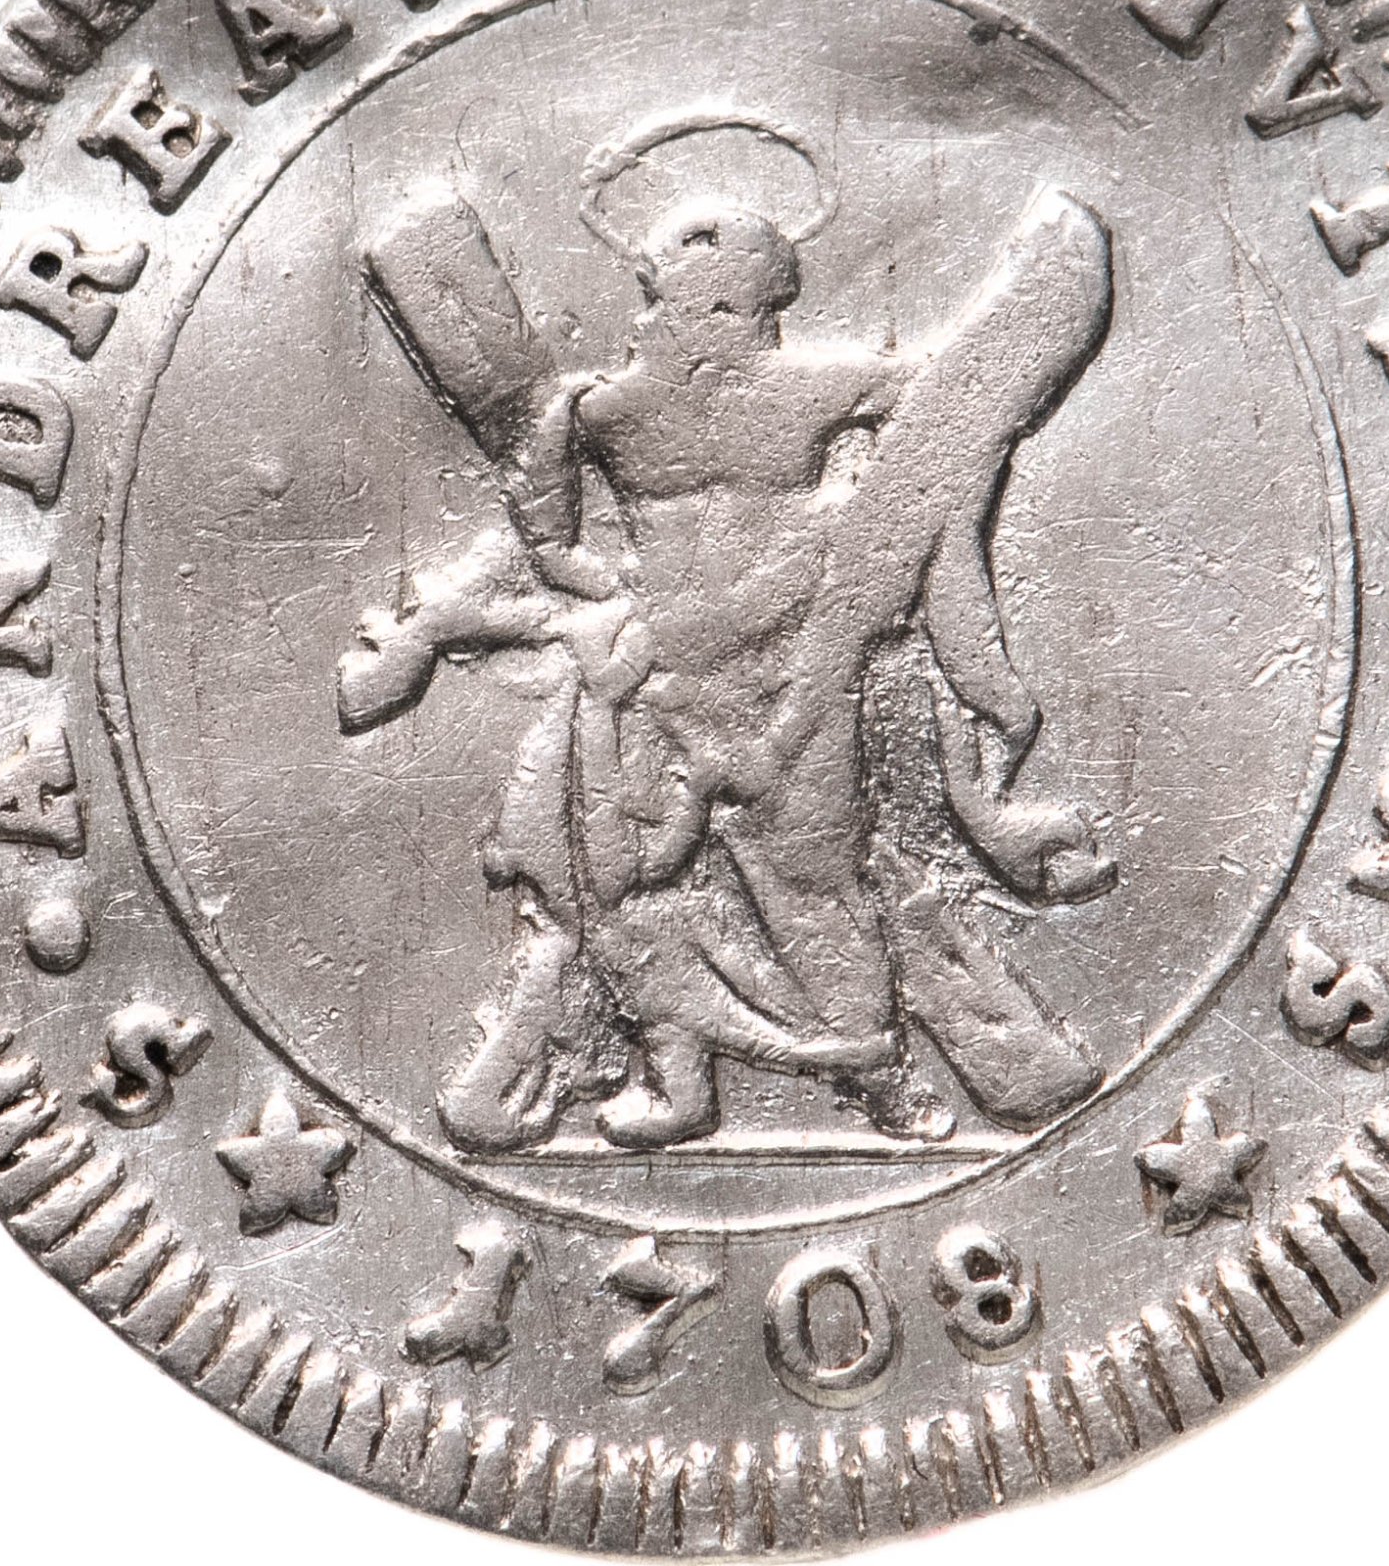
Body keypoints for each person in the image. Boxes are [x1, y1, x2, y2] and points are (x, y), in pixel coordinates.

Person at [339, 163, 1115, 1152]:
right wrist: (589, 599)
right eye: (656, 290)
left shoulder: (812, 389)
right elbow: (544, 532)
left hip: (791, 678)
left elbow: (944, 442)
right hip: (657, 681)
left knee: (815, 880)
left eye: (671, 292)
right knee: (628, 893)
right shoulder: (602, 412)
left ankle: (875, 1069)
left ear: (733, 303)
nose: (651, 313)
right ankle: (678, 1082)